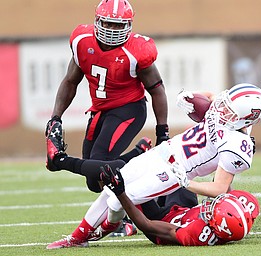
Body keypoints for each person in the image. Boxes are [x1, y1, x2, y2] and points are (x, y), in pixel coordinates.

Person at [45, 83, 261, 249]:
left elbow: (219, 188)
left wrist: (186, 182)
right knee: (111, 188)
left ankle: (104, 227)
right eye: (224, 104)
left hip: (172, 172)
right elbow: (211, 97)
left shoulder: (238, 144)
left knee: (121, 196)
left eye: (228, 110)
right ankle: (78, 237)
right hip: (162, 152)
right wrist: (191, 97)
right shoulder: (227, 108)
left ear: (246, 119)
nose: (220, 110)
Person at [45, 0, 169, 237]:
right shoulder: (82, 42)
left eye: (117, 25)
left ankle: (127, 217)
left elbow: (157, 89)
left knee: (101, 165)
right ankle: (137, 156)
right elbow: (71, 80)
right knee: (93, 181)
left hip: (129, 109)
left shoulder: (136, 51)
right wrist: (55, 117)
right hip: (100, 110)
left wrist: (162, 131)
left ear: (129, 26)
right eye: (107, 24)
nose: (112, 30)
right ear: (97, 21)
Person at [99, 164, 260, 246]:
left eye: (213, 209)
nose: (210, 206)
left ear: (216, 225)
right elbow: (223, 190)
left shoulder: (196, 233)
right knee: (183, 170)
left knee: (127, 183)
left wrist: (120, 192)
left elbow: (147, 225)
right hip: (184, 211)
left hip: (161, 221)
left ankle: (121, 221)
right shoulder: (236, 221)